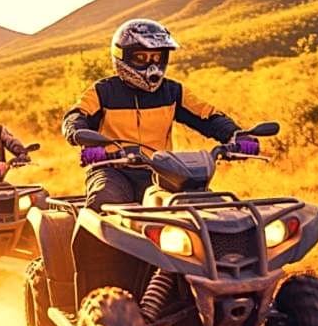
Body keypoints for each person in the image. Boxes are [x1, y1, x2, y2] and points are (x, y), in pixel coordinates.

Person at [62, 18, 258, 211]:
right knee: (104, 201)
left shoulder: (173, 92)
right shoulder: (103, 91)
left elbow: (208, 117)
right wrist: (78, 134)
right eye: (141, 58)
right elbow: (76, 115)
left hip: (163, 171)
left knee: (209, 209)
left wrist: (237, 135)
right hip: (112, 168)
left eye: (157, 58)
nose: (152, 65)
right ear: (122, 56)